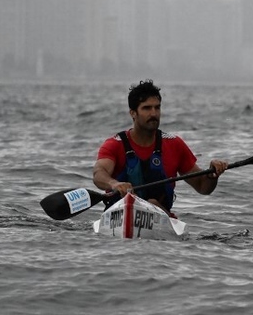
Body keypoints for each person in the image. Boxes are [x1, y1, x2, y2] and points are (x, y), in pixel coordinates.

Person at [93, 79, 228, 214]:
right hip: (118, 215)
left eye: (157, 107)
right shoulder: (114, 144)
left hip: (162, 219)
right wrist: (114, 184)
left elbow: (202, 187)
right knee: (144, 203)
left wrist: (212, 175)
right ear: (133, 113)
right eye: (146, 108)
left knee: (152, 203)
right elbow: (99, 173)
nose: (153, 113)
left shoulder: (174, 144)